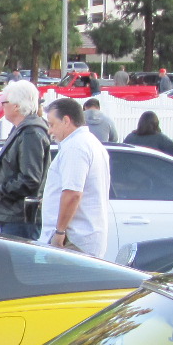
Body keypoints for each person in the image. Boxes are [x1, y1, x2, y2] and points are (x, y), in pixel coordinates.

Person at [40, 98, 111, 257]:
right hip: (82, 238)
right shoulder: (90, 142)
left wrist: (59, 232)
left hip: (73, 240)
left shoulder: (75, 147)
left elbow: (73, 194)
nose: (50, 131)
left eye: (52, 124)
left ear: (66, 121)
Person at [0, 79, 49, 240]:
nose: (2, 107)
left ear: (17, 106)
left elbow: (30, 179)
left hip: (21, 218)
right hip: (16, 215)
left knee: (18, 256)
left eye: (4, 103)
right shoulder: (22, 130)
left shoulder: (30, 133)